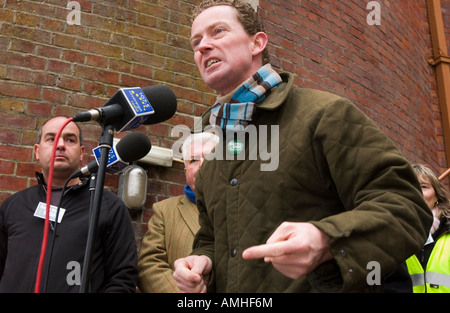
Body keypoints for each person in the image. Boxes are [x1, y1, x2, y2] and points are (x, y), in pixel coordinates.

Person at [172, 0, 432, 292]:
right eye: (196, 42)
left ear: (257, 43)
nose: (203, 46)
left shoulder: (326, 114)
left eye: (217, 32)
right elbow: (212, 238)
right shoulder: (215, 147)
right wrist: (202, 264)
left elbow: (408, 207)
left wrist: (326, 241)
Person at [0, 116, 138, 292]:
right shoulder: (13, 206)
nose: (60, 145)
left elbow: (123, 278)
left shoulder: (108, 207)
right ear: (37, 151)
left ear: (81, 153)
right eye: (51, 138)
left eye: (70, 140)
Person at [138, 132, 219, 292]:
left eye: (210, 159)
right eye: (194, 160)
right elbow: (148, 264)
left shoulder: (243, 207)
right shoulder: (165, 211)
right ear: (186, 171)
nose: (202, 165)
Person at [384, 164, 450, 293]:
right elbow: (373, 280)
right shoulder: (387, 234)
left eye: (423, 187)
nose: (416, 192)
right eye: (409, 187)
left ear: (437, 197)